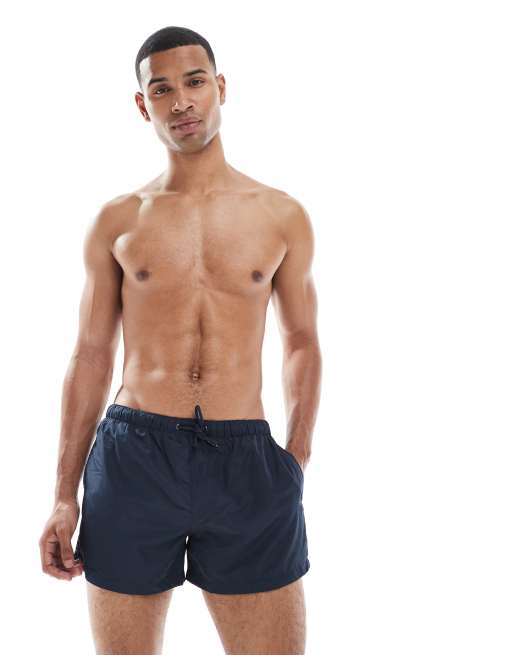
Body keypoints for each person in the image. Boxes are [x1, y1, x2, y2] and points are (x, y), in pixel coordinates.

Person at [39, 25, 322, 655]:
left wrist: (296, 457)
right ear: (144, 105)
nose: (182, 101)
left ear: (220, 87)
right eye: (162, 89)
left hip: (247, 461)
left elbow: (302, 340)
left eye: (194, 82)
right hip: (135, 458)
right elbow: (90, 354)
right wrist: (62, 496)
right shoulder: (118, 220)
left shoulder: (280, 215)